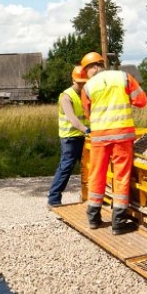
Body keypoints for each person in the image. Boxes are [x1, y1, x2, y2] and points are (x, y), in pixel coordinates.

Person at [80, 51, 147, 232]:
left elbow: (87, 114)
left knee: (97, 174)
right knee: (121, 176)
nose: (85, 75)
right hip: (122, 135)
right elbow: (141, 101)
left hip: (99, 137)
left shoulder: (88, 87)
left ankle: (93, 218)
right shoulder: (124, 77)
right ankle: (118, 222)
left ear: (93, 67)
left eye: (85, 71)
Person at [47, 65, 90, 207]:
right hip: (70, 138)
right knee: (66, 167)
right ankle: (53, 199)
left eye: (84, 82)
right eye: (80, 82)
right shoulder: (66, 97)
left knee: (89, 167)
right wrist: (87, 130)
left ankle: (89, 197)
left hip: (83, 137)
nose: (82, 84)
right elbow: (73, 119)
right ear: (73, 80)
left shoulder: (84, 95)